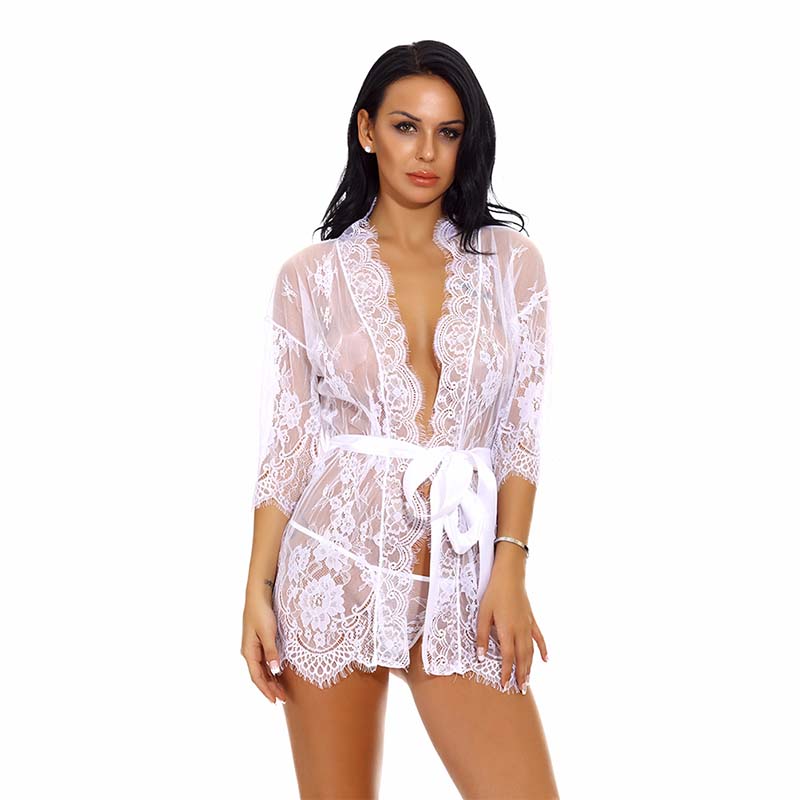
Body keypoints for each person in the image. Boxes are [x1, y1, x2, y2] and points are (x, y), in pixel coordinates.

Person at [241, 40, 559, 800]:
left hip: (461, 577)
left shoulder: (512, 265)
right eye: (405, 126)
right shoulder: (308, 278)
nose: (426, 152)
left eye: (448, 132)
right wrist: (256, 585)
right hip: (332, 567)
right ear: (366, 130)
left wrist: (510, 567)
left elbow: (520, 434)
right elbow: (289, 444)